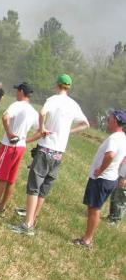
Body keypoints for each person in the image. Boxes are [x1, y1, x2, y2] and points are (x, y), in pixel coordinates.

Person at [11, 74, 89, 236]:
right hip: (59, 153)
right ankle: (32, 221)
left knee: (34, 187)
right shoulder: (74, 104)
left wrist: (42, 129)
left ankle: (27, 225)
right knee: (44, 189)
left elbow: (42, 112)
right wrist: (68, 131)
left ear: (57, 85)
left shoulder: (53, 100)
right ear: (68, 87)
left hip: (46, 148)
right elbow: (85, 124)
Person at [73, 109, 126, 249]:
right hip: (111, 178)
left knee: (94, 209)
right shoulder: (123, 137)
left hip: (102, 178)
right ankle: (88, 238)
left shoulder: (114, 138)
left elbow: (110, 155)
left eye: (110, 118)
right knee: (95, 208)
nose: (107, 119)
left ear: (115, 120)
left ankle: (87, 240)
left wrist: (100, 170)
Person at [0, 83, 43, 215]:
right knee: (11, 179)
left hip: (10, 146)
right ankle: (3, 207)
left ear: (21, 92)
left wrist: (9, 134)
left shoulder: (17, 105)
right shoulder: (33, 111)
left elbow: (5, 117)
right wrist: (26, 140)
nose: (16, 93)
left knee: (2, 177)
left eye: (17, 91)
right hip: (21, 148)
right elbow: (41, 131)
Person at [107, 160, 126, 224]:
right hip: (121, 175)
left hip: (124, 178)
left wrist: (125, 179)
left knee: (120, 201)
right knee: (114, 197)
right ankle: (111, 217)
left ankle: (115, 221)